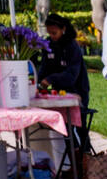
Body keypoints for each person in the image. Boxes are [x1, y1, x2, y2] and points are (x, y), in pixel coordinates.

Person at [39, 13, 91, 158]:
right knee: (65, 127)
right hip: (59, 92)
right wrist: (39, 80)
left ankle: (86, 158)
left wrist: (50, 79)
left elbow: (71, 75)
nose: (52, 36)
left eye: (54, 33)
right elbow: (44, 68)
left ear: (63, 29)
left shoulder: (72, 46)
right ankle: (74, 159)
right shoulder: (48, 44)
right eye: (49, 33)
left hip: (77, 90)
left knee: (79, 126)